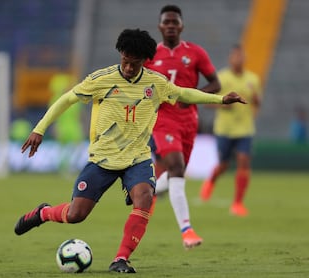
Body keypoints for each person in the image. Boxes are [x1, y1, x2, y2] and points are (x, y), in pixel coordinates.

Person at [14, 29, 246, 273]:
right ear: (121, 55)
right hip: (103, 159)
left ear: (144, 61)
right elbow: (67, 99)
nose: (128, 67)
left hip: (137, 158)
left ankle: (121, 259)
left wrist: (220, 100)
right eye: (125, 61)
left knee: (145, 198)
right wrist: (39, 129)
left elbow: (182, 93)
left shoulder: (155, 83)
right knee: (76, 214)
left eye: (134, 64)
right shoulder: (101, 79)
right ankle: (43, 213)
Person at [144, 5, 221, 249]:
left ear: (181, 26)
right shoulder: (149, 55)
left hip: (189, 121)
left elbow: (216, 83)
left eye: (174, 22)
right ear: (159, 26)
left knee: (177, 173)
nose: (170, 26)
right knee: (175, 168)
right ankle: (187, 230)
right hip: (163, 120)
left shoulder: (196, 53)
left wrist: (193, 95)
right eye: (166, 22)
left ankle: (148, 189)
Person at [200, 44, 261, 216]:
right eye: (235, 56)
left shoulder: (253, 79)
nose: (238, 59)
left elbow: (257, 103)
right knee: (223, 165)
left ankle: (238, 203)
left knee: (243, 161)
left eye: (241, 56)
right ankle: (210, 182)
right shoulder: (222, 78)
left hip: (245, 129)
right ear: (230, 58)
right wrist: (222, 105)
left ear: (245, 58)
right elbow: (206, 102)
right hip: (224, 129)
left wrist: (256, 102)